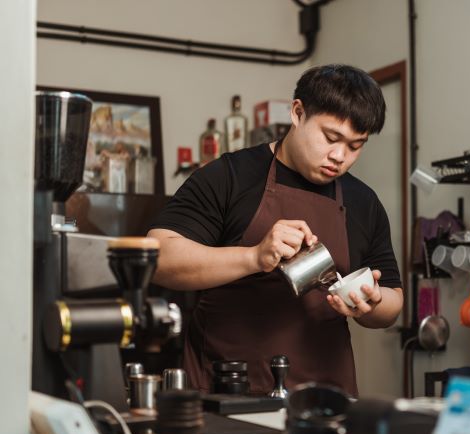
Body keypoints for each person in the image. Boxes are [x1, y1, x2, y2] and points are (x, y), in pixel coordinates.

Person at [148, 64, 403, 396]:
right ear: (297, 112)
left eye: (356, 145)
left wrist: (370, 302)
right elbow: (157, 257)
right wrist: (253, 256)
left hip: (324, 396)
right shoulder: (229, 177)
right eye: (331, 137)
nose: (339, 156)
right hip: (227, 392)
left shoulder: (363, 202)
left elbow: (393, 302)